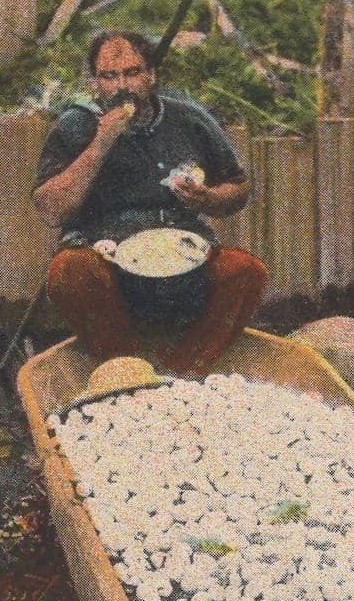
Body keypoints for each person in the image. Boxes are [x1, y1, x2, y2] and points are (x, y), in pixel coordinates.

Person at [32, 29, 268, 374]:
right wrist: (102, 141)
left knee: (247, 272)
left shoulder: (189, 119)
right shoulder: (76, 126)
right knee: (68, 271)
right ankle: (128, 367)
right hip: (109, 263)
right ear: (94, 83)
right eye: (109, 76)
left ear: (151, 75)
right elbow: (51, 209)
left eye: (132, 73)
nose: (122, 86)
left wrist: (208, 198)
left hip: (184, 260)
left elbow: (238, 186)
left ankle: (184, 370)